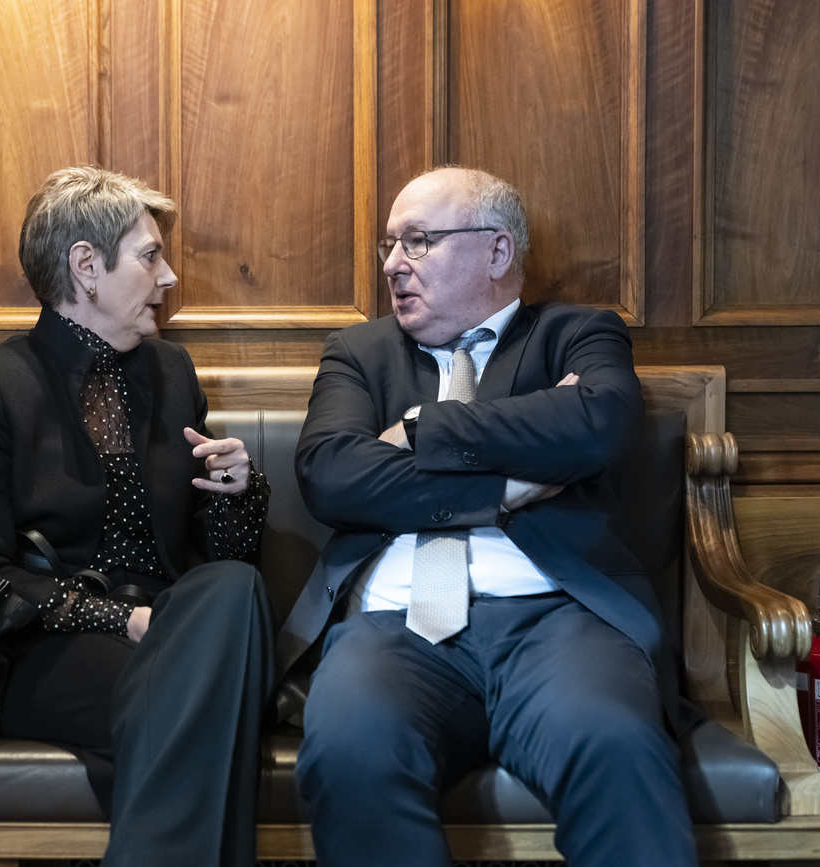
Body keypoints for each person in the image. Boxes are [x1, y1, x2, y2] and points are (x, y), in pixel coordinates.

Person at [276, 166, 699, 866]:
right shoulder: (359, 352)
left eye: (417, 241)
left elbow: (598, 423)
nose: (392, 265)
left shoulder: (577, 334)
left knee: (615, 744)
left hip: (558, 623)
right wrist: (504, 486)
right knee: (349, 747)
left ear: (497, 251)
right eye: (390, 245)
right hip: (392, 628)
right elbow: (332, 474)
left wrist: (417, 428)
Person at [0, 166, 275, 867]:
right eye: (151, 256)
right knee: (211, 702)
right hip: (50, 645)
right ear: (86, 266)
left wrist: (235, 493)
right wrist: (120, 620)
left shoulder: (173, 373)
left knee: (234, 594)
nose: (171, 275)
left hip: (180, 628)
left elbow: (226, 563)